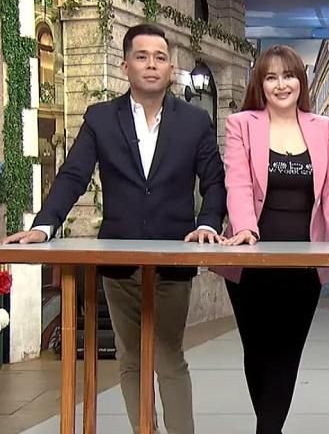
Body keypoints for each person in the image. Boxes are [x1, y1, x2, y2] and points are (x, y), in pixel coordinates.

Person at [3, 23, 227, 434]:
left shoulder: (195, 122)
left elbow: (214, 181)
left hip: (173, 262)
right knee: (130, 359)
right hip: (118, 263)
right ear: (126, 66)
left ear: (170, 68)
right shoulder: (101, 118)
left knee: (168, 357)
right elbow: (73, 175)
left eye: (160, 57)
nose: (151, 64)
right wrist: (44, 226)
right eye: (142, 57)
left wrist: (209, 224)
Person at [215, 44, 329, 434]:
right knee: (257, 350)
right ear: (260, 84)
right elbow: (238, 181)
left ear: (301, 81)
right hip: (250, 259)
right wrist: (244, 228)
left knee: (286, 352)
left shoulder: (324, 127)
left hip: (304, 262)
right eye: (272, 77)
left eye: (289, 76)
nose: (281, 85)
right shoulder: (241, 124)